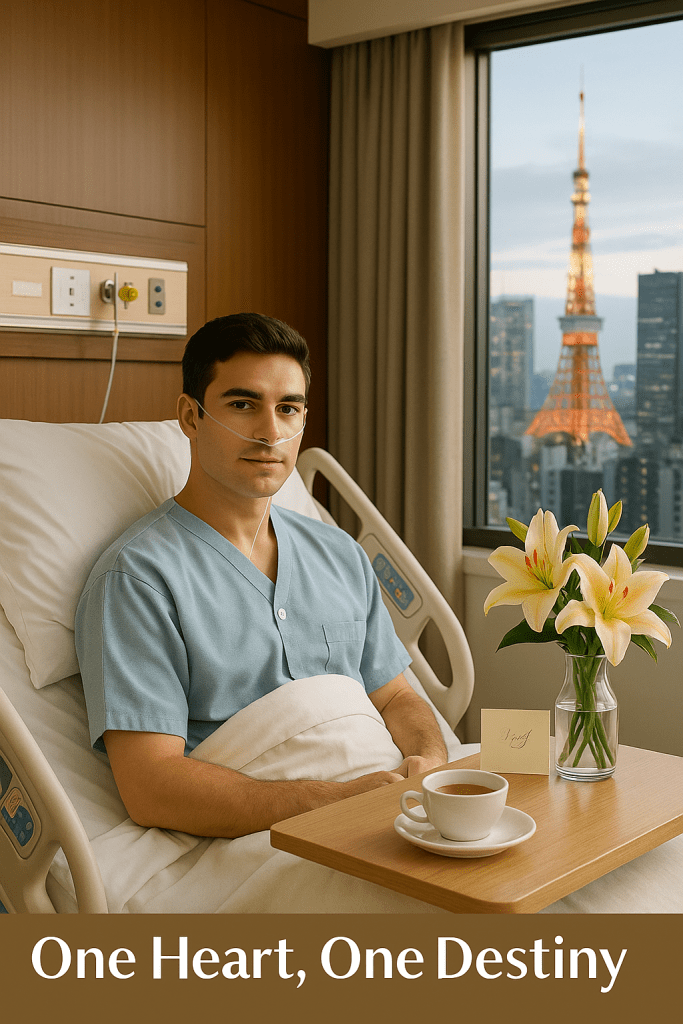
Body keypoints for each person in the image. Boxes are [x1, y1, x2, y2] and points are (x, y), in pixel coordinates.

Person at [75, 313, 448, 839]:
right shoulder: (139, 579)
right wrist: (332, 804)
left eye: (288, 409)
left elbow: (396, 698)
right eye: (243, 404)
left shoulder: (338, 552)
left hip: (394, 807)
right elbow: (152, 785)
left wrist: (429, 761)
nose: (271, 431)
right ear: (191, 415)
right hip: (256, 838)